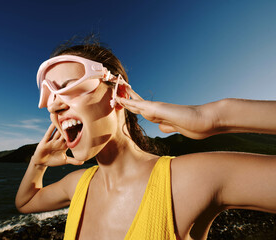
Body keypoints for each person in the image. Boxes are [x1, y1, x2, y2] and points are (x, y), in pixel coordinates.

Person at [15, 42, 276, 240]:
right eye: (49, 97)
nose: (54, 106)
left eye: (70, 87)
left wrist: (213, 117)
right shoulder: (78, 184)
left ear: (118, 93)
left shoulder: (188, 179)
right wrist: (38, 163)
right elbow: (25, 203)